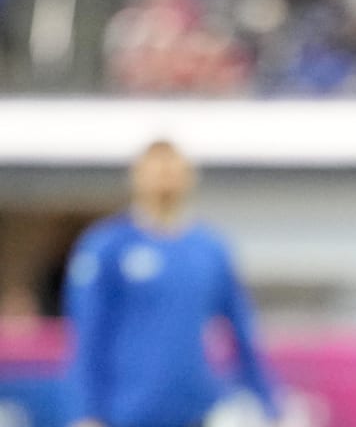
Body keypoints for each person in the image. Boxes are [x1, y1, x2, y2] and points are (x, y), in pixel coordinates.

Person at [63, 140, 280, 427]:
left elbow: (241, 331)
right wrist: (85, 412)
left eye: (173, 170)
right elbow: (87, 335)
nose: (165, 178)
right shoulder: (107, 246)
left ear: (189, 177)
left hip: (195, 411)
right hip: (125, 414)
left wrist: (269, 403)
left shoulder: (210, 249)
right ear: (137, 177)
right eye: (156, 170)